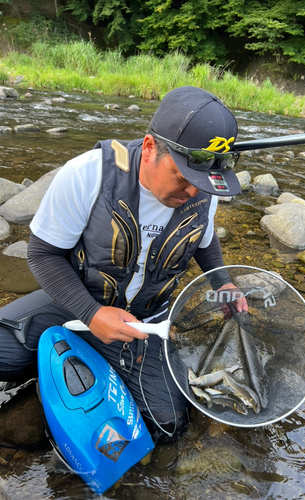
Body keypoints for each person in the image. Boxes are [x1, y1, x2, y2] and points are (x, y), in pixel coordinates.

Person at [0, 85, 247, 444]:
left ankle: (84, 365)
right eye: (183, 177)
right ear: (149, 148)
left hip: (145, 325)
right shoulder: (87, 174)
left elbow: (204, 241)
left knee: (168, 427)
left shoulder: (203, 189)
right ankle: (51, 366)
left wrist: (222, 282)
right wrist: (91, 314)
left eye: (202, 182)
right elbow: (42, 255)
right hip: (73, 302)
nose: (193, 192)